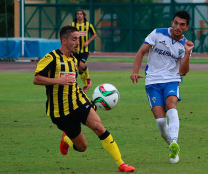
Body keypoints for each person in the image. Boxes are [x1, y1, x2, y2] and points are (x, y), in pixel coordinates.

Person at [33, 25, 135, 172]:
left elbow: (73, 85)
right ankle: (67, 139)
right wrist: (58, 81)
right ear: (64, 41)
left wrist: (87, 100)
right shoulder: (51, 58)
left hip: (79, 102)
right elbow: (37, 79)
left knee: (99, 127)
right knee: (82, 147)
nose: (77, 43)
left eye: (78, 39)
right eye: (74, 39)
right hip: (61, 113)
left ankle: (121, 163)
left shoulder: (73, 60)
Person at [130, 11, 194, 164]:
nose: (178, 27)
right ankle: (173, 145)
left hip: (171, 80)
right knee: (160, 122)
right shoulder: (157, 33)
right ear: (172, 22)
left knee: (171, 105)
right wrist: (134, 72)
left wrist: (186, 53)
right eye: (176, 23)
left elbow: (183, 72)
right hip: (152, 81)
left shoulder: (185, 45)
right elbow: (141, 52)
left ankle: (175, 141)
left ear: (187, 27)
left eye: (182, 24)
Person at [71, 9, 97, 92]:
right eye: (78, 14)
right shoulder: (73, 25)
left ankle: (88, 79)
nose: (79, 15)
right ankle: (86, 84)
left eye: (81, 14)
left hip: (84, 50)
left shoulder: (88, 25)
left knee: (82, 65)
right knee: (79, 68)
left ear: (83, 16)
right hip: (75, 50)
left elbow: (94, 34)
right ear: (76, 16)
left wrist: (88, 42)